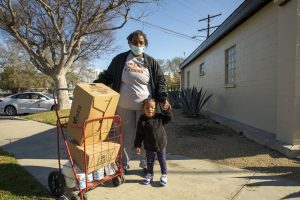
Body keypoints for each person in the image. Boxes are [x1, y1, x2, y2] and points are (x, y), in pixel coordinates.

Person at [93, 30, 170, 173]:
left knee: (147, 135)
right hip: (124, 106)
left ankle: (147, 164)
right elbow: (108, 76)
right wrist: (95, 85)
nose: (138, 45)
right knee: (124, 136)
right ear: (129, 43)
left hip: (146, 108)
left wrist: (163, 98)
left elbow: (160, 82)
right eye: (135, 42)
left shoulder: (151, 62)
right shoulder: (120, 59)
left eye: (141, 42)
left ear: (145, 44)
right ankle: (123, 164)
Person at [134, 99, 172, 186]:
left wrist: (167, 110)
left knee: (162, 160)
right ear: (143, 109)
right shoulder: (142, 121)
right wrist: (137, 146)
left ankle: (164, 175)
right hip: (149, 145)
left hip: (161, 143)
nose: (150, 109)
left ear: (156, 109)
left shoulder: (159, 117)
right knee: (150, 161)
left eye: (152, 107)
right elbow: (139, 135)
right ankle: (150, 174)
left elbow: (169, 118)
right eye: (147, 107)